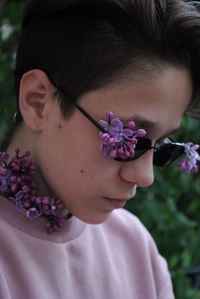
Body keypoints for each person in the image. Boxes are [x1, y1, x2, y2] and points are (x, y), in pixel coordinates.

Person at [0, 0, 200, 298]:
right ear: (37, 102)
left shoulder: (136, 250)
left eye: (160, 146)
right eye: (127, 138)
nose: (145, 177)